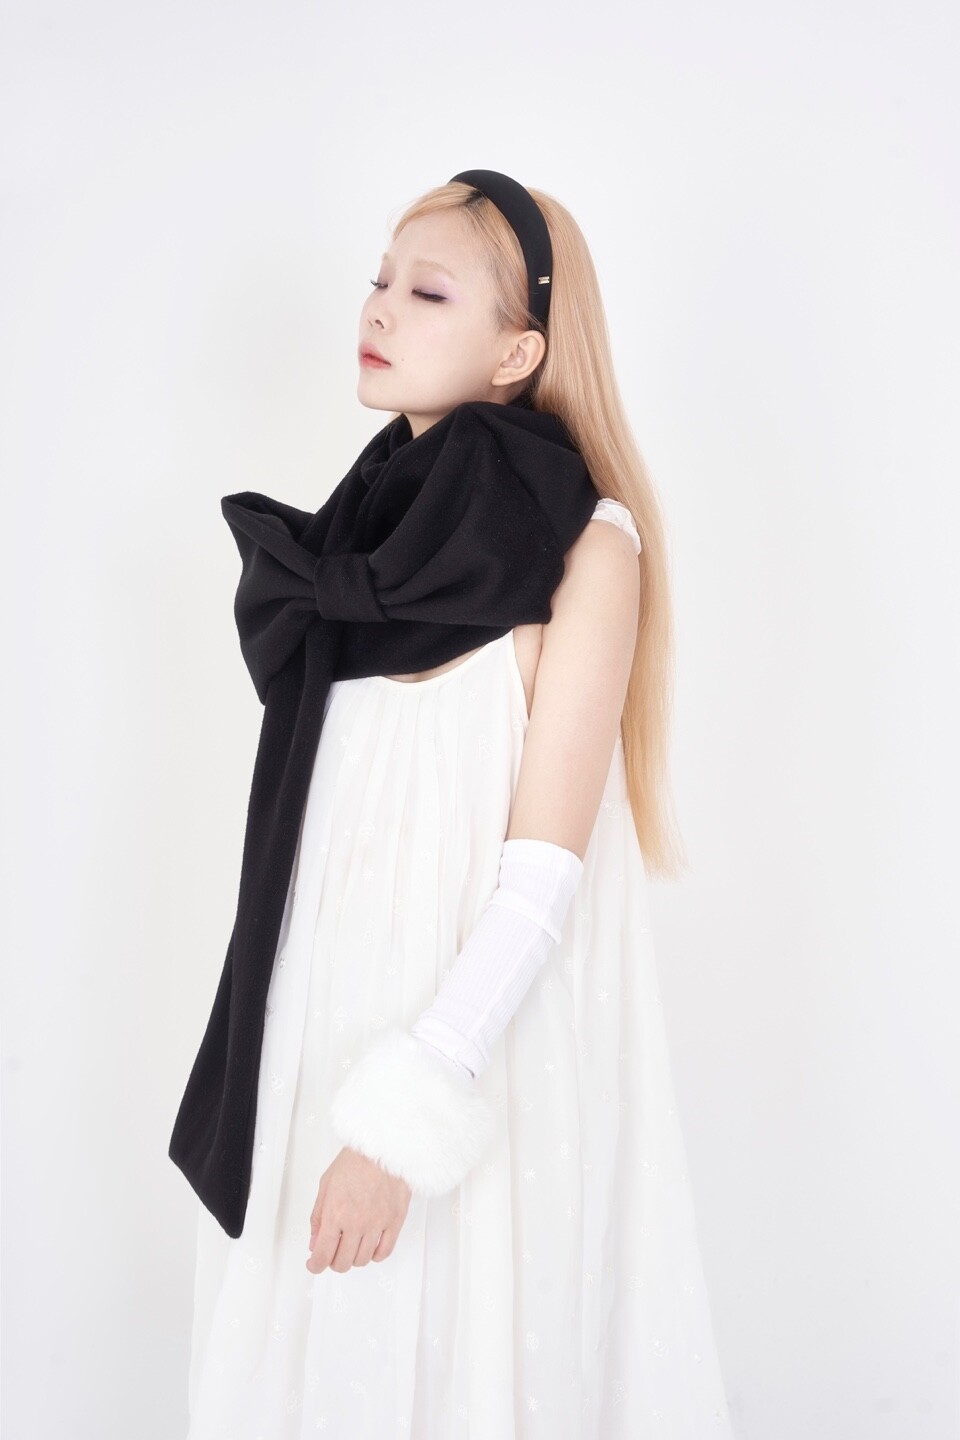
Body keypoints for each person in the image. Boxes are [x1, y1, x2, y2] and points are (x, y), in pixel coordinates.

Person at [176, 170, 735, 1438]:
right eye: (379, 280)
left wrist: (400, 1125)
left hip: (473, 1062)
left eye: (428, 293)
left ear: (517, 350)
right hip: (311, 1043)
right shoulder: (344, 550)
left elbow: (542, 880)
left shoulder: (589, 548)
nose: (379, 308)